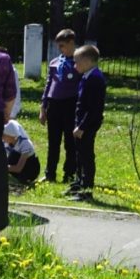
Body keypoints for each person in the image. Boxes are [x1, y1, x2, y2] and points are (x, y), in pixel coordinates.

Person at [39, 29, 80, 184]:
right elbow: (48, 84)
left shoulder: (79, 62)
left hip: (71, 104)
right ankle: (50, 174)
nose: (60, 49)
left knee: (70, 142)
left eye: (62, 45)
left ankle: (69, 174)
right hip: (54, 104)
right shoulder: (55, 63)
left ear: (71, 43)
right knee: (53, 141)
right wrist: (43, 107)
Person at [68, 45, 106, 202]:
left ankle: (87, 190)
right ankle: (78, 184)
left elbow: (94, 109)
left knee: (86, 156)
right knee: (79, 155)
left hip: (87, 125)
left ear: (87, 61)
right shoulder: (86, 76)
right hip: (81, 123)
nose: (75, 65)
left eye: (77, 61)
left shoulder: (95, 79)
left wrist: (82, 127)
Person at [3, 120, 41, 185]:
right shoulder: (8, 143)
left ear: (11, 135)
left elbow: (18, 168)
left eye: (4, 135)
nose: (2, 137)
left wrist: (2, 167)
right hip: (15, 171)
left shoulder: (25, 144)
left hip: (28, 172)